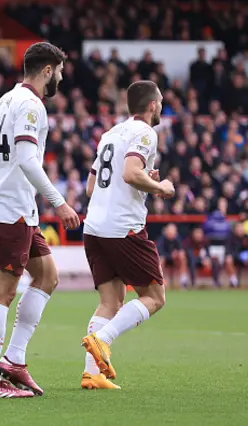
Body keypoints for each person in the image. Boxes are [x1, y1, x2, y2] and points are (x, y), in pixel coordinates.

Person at [0, 42, 81, 399]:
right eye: (58, 71)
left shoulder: (2, 102)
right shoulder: (30, 104)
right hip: (11, 208)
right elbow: (26, 160)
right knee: (4, 291)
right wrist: (59, 203)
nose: (59, 77)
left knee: (47, 276)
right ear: (46, 70)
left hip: (15, 208)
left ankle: (14, 359)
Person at [81, 80, 175, 390]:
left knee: (111, 301)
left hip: (94, 226)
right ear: (152, 105)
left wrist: (144, 180)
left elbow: (92, 187)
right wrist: (160, 187)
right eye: (159, 103)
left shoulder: (111, 133)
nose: (160, 107)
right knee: (154, 297)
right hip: (123, 228)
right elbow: (129, 173)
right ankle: (102, 339)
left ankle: (92, 374)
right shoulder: (146, 133)